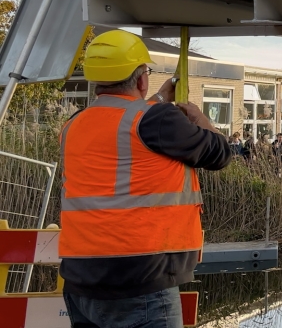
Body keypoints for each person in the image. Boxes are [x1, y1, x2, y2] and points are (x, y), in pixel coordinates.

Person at [59, 30, 232, 328]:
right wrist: (202, 120)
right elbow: (220, 154)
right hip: (140, 279)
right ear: (141, 78)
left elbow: (121, 124)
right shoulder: (158, 119)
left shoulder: (74, 124)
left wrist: (156, 99)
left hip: (80, 281)